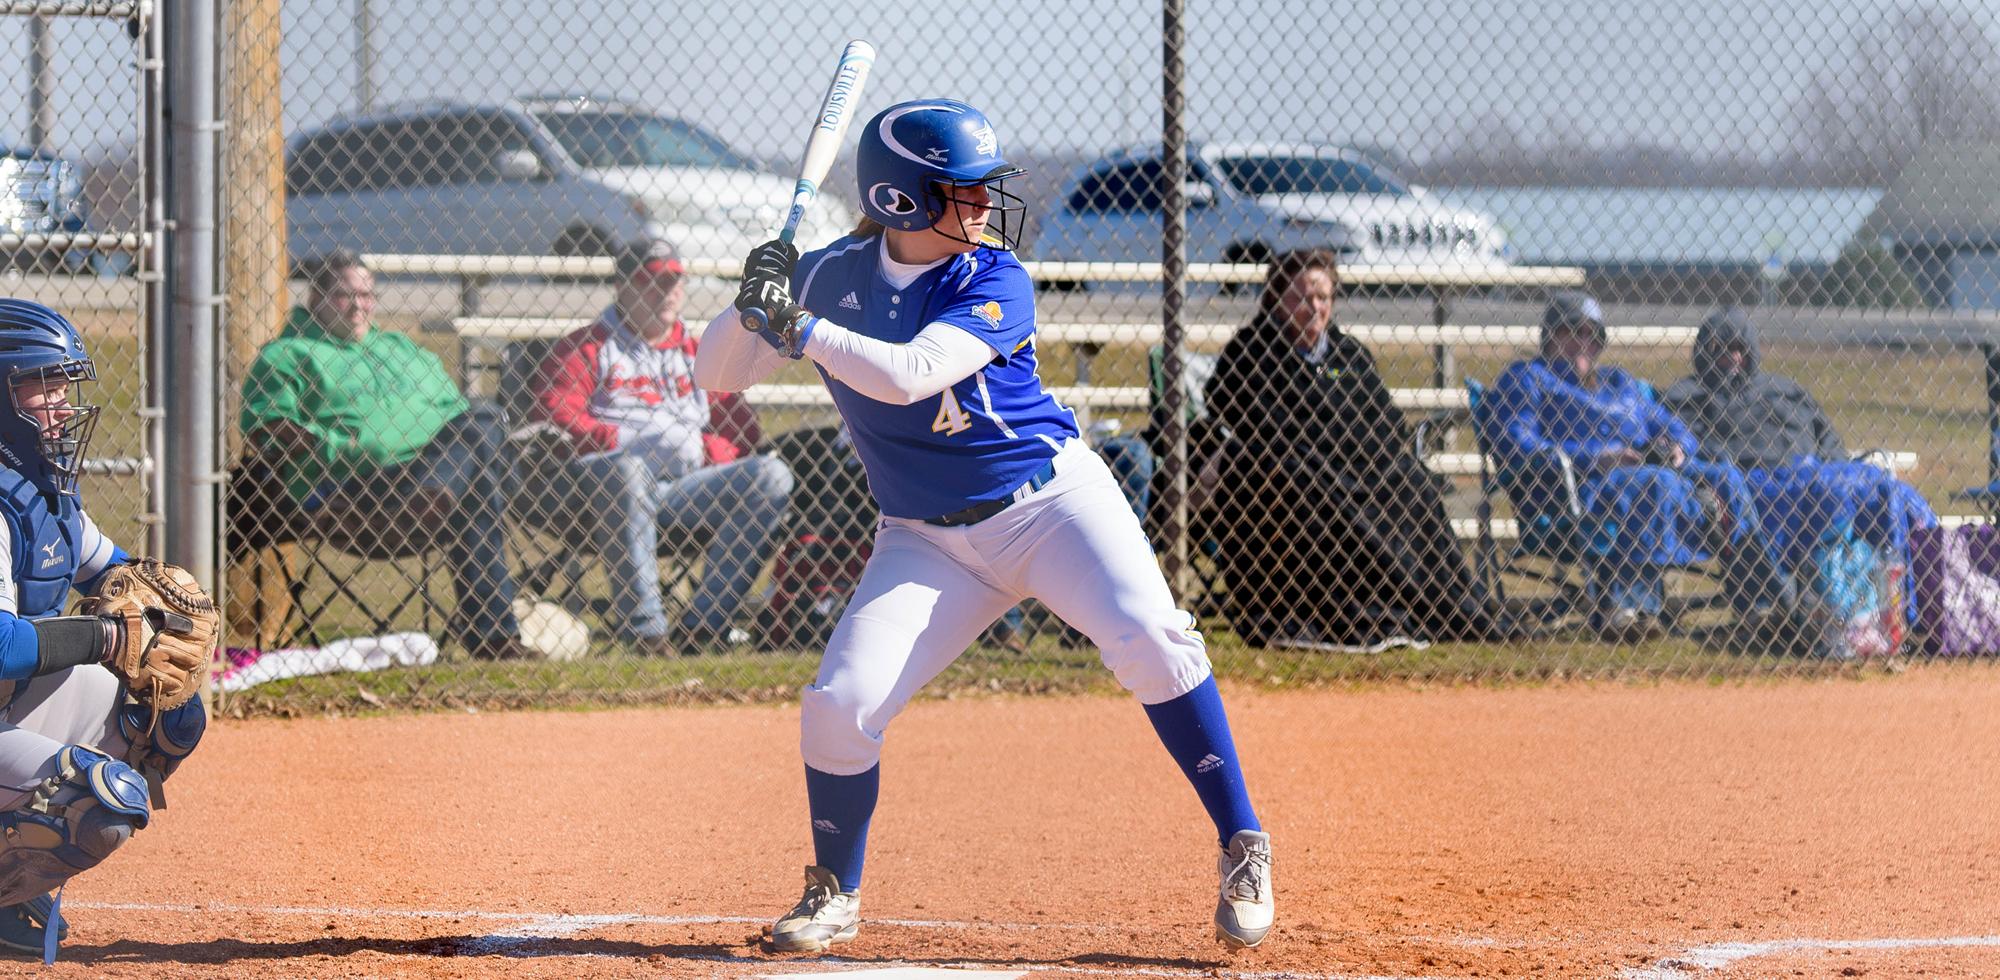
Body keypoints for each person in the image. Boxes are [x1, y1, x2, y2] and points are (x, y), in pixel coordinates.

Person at [693, 100, 1274, 952]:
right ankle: (833, 891)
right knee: (839, 705)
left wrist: (803, 326)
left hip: (1051, 507)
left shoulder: (992, 276)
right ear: (901, 200)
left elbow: (914, 375)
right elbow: (716, 374)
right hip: (925, 538)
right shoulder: (829, 276)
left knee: (1155, 638)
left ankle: (1243, 842)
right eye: (962, 191)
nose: (982, 207)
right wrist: (751, 305)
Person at [0, 299, 207, 958]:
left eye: (64, 383)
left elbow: (111, 572)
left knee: (167, 715)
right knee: (97, 804)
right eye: (39, 383)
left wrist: (165, 612)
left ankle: (11, 896)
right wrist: (106, 638)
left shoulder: (42, 490)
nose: (61, 402)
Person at [1205, 248, 1516, 651]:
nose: (1313, 308)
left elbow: (1385, 424)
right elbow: (1250, 419)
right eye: (1301, 298)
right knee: (1314, 485)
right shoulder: (1249, 352)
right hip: (1294, 473)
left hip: (1359, 469)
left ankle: (1446, 607)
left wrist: (1351, 446)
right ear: (1276, 301)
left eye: (1322, 298)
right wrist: (1332, 438)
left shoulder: (1349, 354)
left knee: (1412, 480)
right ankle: (1357, 612)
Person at [239, 249, 527, 659]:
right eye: (344, 295)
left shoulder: (402, 350)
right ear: (315, 300)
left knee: (484, 420)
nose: (358, 306)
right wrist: (337, 447)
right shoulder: (288, 355)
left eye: (367, 295)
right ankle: (495, 637)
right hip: (350, 493)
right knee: (480, 477)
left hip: (426, 488)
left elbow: (458, 416)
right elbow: (267, 428)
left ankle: (434, 494)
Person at [530, 238, 794, 654]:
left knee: (771, 475)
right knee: (627, 469)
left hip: (684, 489)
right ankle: (647, 632)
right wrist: (624, 440)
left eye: (675, 282)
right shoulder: (587, 346)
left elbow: (741, 428)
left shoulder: (698, 351)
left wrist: (705, 448)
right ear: (622, 287)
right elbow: (554, 415)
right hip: (602, 495)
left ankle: (703, 627)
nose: (668, 292)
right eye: (653, 282)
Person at [1484, 292, 1794, 640]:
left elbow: (1674, 426)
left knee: (1726, 476)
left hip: (1658, 477)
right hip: (1583, 491)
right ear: (1551, 335)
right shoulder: (1528, 378)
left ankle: (1765, 606)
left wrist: (1677, 449)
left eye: (1591, 334)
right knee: (1653, 482)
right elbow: (1517, 442)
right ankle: (1631, 612)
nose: (1582, 342)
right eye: (1572, 331)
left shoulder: (1619, 383)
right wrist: (1597, 458)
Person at [1661, 307, 1937, 628]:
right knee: (1831, 492)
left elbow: (1829, 440)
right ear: (1703, 354)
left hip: (1817, 473)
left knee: (1889, 490)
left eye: (1738, 348)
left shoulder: (1786, 390)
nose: (1731, 357)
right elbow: (1682, 453)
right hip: (1758, 483)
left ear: (1750, 350)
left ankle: (1919, 604)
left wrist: (1834, 466)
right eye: (1720, 351)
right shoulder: (1688, 398)